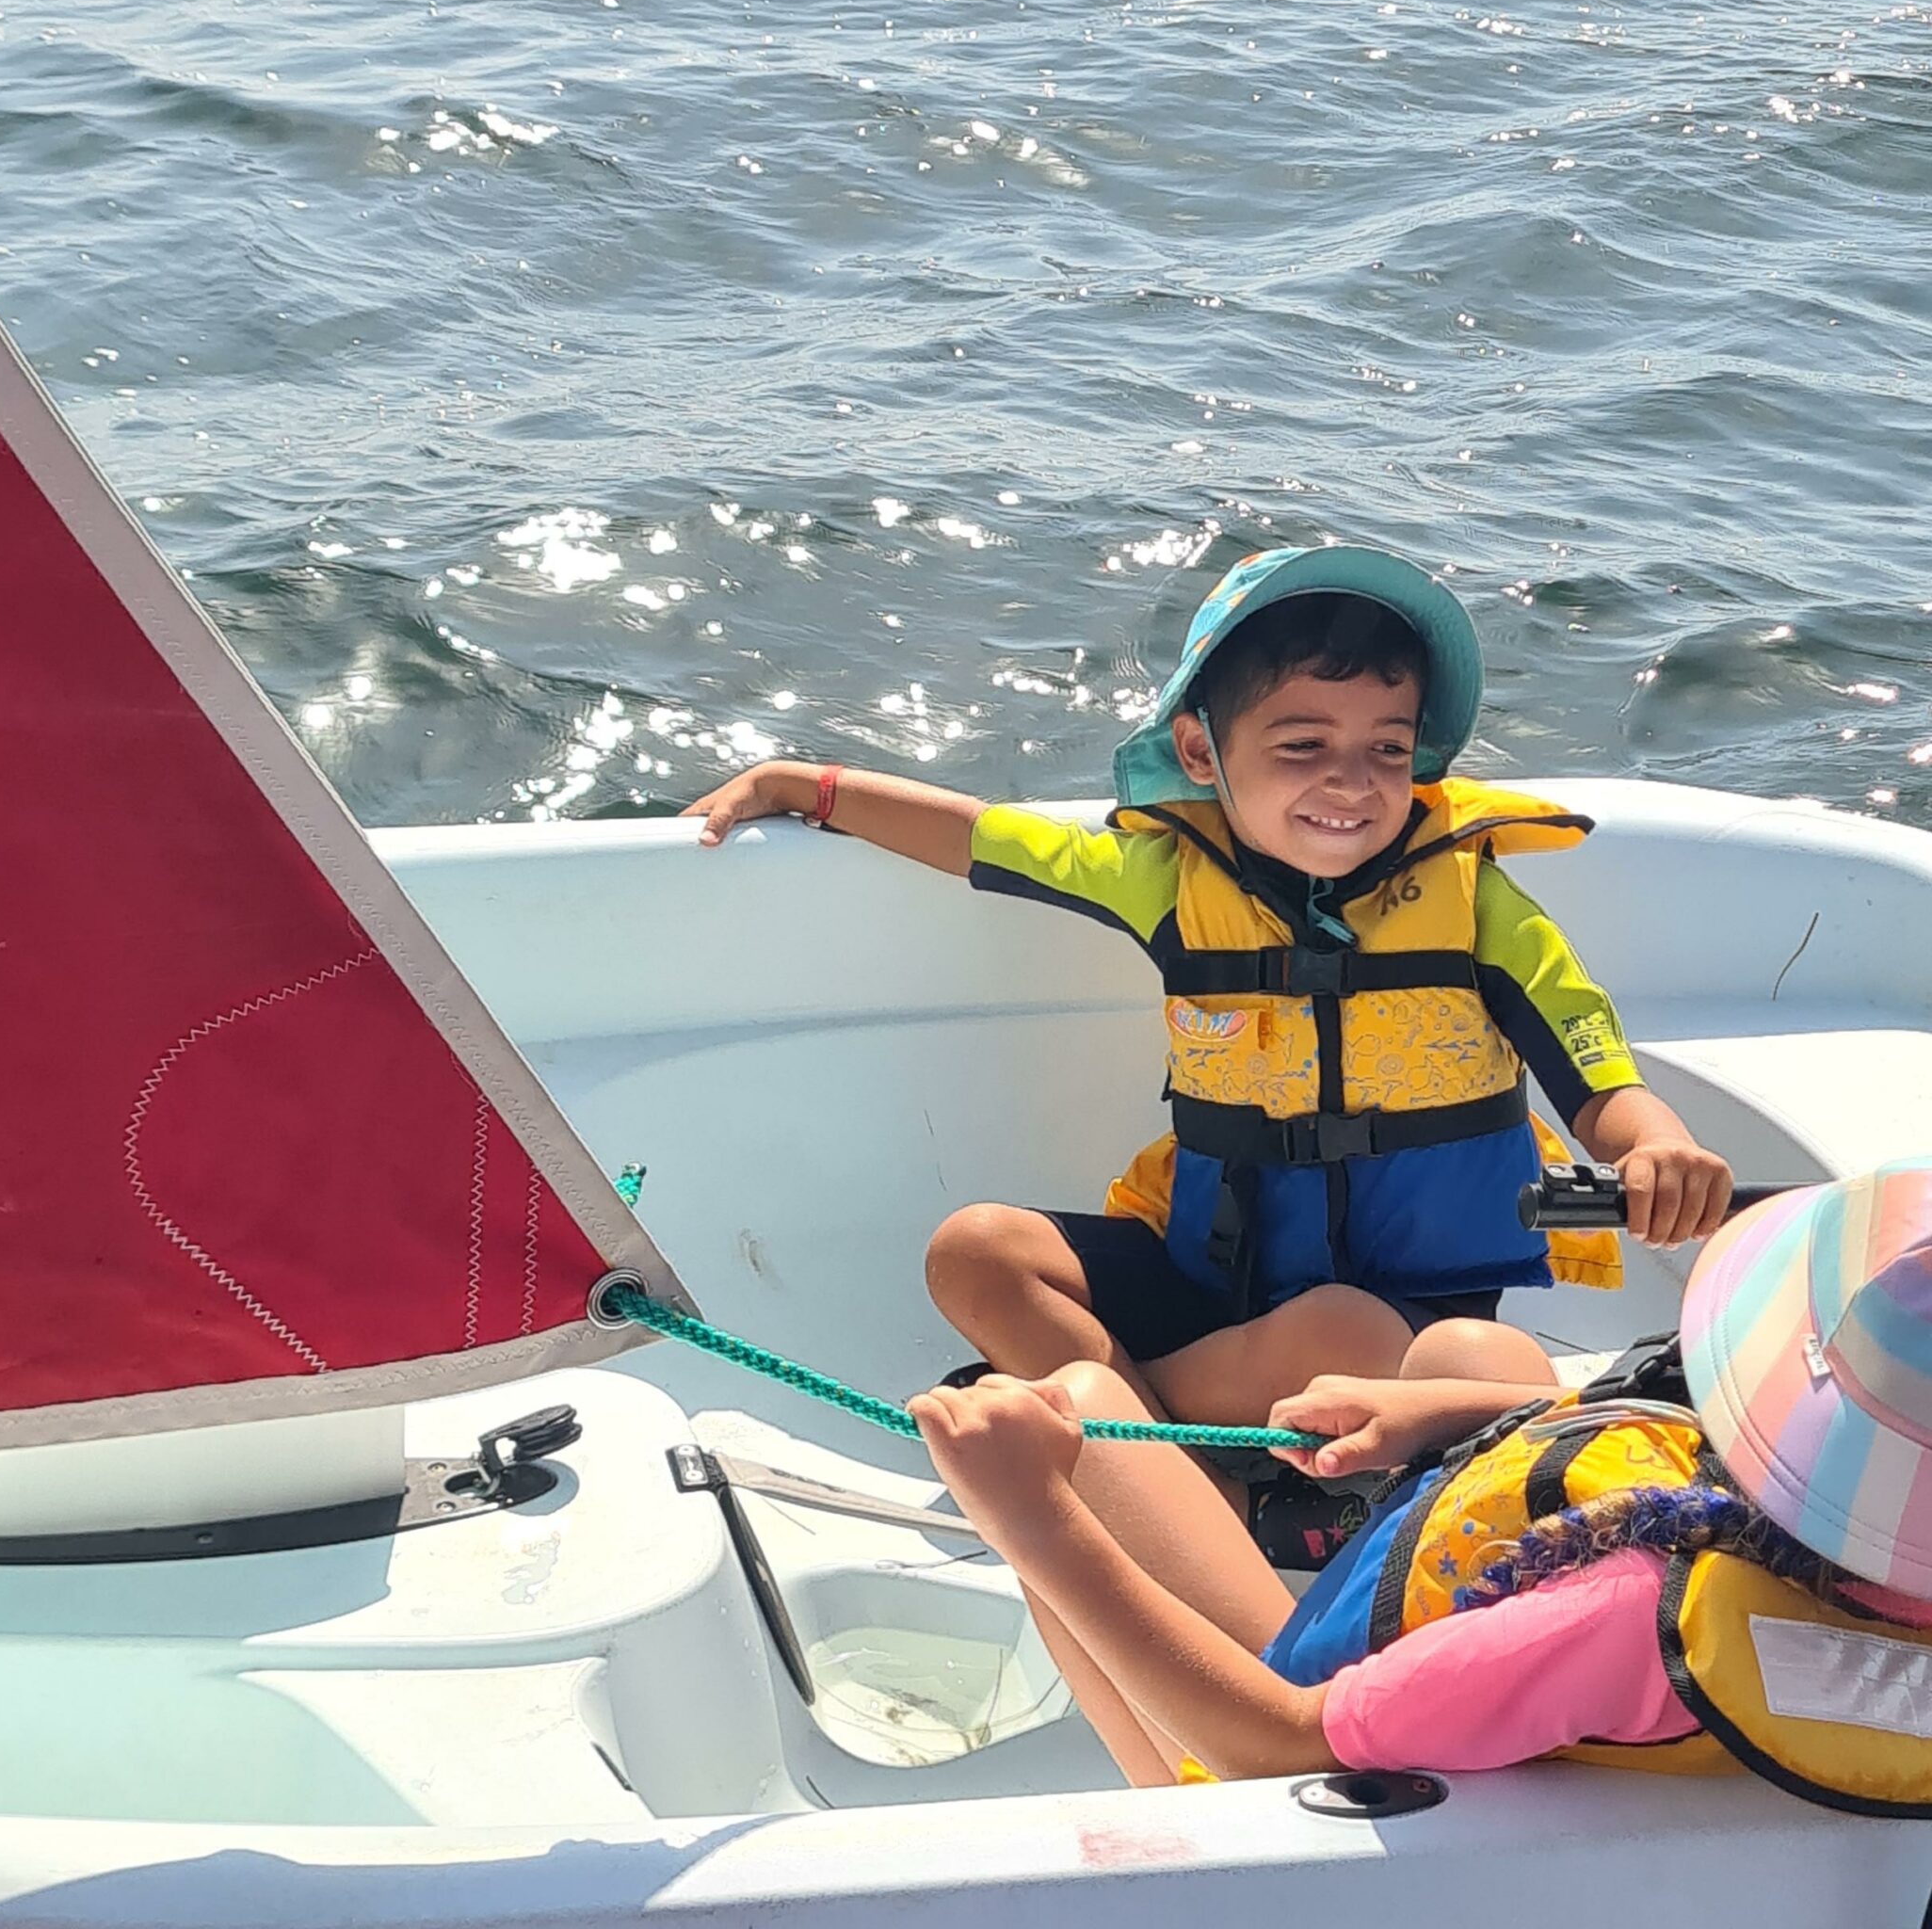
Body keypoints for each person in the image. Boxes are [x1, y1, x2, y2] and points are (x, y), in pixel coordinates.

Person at [687, 544, 1731, 1434]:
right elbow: (982, 839)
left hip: (1396, 1328)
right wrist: (806, 786)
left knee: (1372, 1336)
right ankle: (1164, 1445)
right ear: (1199, 750)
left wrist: (1653, 1143)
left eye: (1387, 748)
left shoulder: (1476, 902)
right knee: (975, 1252)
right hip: (1207, 1281)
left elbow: (1588, 1058)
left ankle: (1113, 1430)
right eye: (1303, 744)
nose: (1352, 780)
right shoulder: (1162, 879)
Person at [906, 1162, 1932, 1808]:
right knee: (1472, 1355)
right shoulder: (1865, 1572)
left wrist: (1033, 1517)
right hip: (1520, 1708)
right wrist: (1442, 1413)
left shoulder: (1628, 1612)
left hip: (1277, 1770)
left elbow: (1273, 1749)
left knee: (1084, 1415)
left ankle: (1153, 1740)